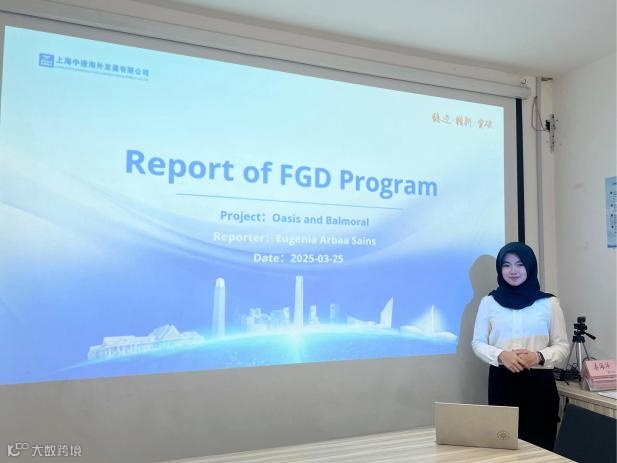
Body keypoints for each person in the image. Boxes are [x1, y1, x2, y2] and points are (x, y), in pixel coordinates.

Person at [471, 242, 569, 451]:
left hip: (539, 385)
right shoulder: (489, 302)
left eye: (520, 264)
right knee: (503, 449)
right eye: (506, 265)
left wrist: (538, 356)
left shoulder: (549, 303)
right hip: (502, 383)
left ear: (530, 266)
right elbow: (477, 343)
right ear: (500, 269)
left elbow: (562, 346)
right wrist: (500, 355)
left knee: (540, 450)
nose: (513, 270)